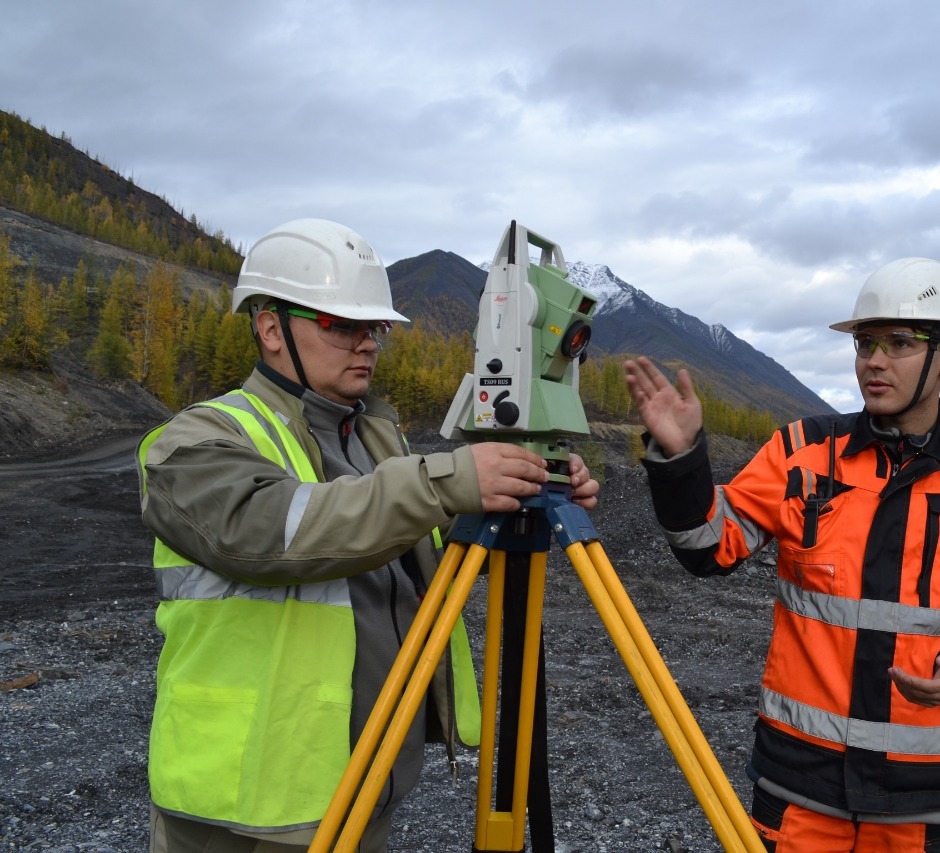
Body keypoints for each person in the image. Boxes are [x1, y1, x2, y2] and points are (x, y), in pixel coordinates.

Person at [135, 218, 599, 852]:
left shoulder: (375, 437)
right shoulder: (197, 441)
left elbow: (419, 561)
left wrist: (517, 495)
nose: (367, 343)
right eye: (340, 324)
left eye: (373, 327)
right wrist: (445, 483)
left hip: (361, 788)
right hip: (246, 806)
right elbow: (268, 530)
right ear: (271, 328)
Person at [624, 257, 940, 853]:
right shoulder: (801, 454)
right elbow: (707, 547)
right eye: (865, 343)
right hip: (799, 783)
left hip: (921, 795)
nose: (874, 361)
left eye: (899, 343)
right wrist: (681, 462)